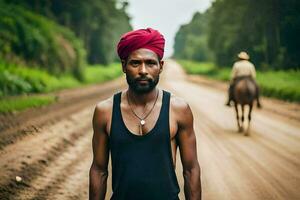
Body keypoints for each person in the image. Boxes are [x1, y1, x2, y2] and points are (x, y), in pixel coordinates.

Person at [89, 28, 201, 200]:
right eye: (135, 63)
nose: (143, 70)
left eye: (150, 63)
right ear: (123, 66)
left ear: (160, 66)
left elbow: (191, 169)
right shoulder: (105, 111)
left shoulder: (178, 109)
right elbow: (99, 170)